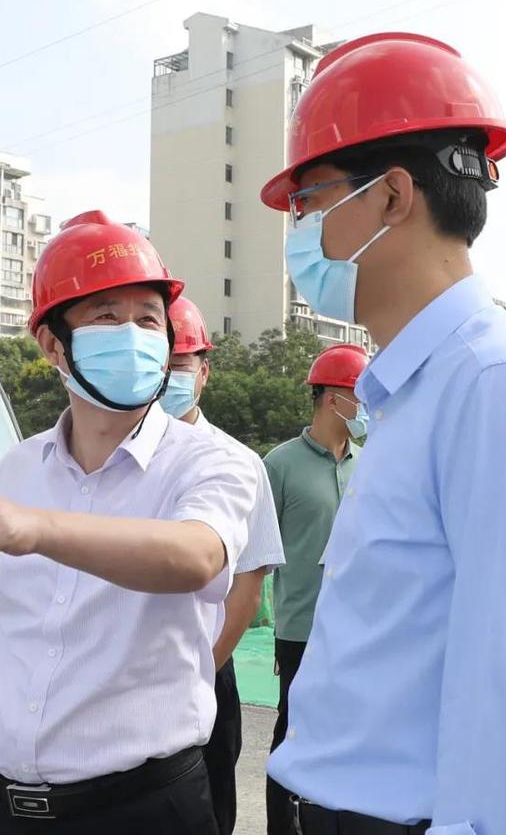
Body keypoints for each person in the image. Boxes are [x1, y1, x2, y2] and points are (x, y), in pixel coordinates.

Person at [259, 33, 506, 834]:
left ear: (391, 196)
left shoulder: (498, 384)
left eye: (308, 200)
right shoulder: (420, 388)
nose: (299, 230)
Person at [0, 211, 258, 835]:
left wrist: (37, 530)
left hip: (143, 810)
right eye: (106, 316)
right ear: (53, 344)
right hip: (10, 809)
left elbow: (195, 557)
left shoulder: (212, 461)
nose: (131, 335)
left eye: (148, 319)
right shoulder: (18, 469)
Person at [160, 295, 286, 835]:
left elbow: (247, 587)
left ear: (204, 371)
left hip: (207, 665)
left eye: (180, 364)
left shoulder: (239, 462)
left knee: (207, 808)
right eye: (160, 363)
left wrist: (200, 669)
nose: (167, 376)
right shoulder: (116, 455)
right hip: (127, 672)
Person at [263, 342, 369, 835]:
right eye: (361, 397)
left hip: (360, 629)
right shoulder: (279, 465)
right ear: (332, 399)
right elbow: (257, 554)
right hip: (302, 628)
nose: (367, 409)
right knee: (292, 734)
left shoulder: (371, 464)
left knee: (352, 736)